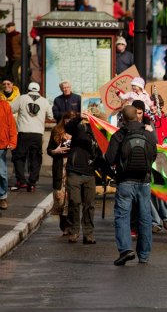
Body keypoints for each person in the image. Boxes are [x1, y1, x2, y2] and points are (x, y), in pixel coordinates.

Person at [105, 105, 158, 266]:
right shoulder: (148, 134)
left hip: (125, 181)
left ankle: (126, 250)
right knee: (145, 217)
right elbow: (153, 156)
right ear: (137, 116)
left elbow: (109, 158)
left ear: (122, 118)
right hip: (144, 181)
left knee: (122, 216)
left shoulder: (119, 135)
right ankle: (144, 254)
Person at [11, 82, 54, 192]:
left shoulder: (22, 98)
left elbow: (11, 109)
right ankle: (32, 183)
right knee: (36, 158)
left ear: (28, 88)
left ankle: (21, 181)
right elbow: (50, 116)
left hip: (23, 132)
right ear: (39, 90)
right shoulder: (44, 101)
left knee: (19, 157)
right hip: (37, 134)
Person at [64, 115, 98, 245]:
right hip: (75, 172)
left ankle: (88, 234)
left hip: (90, 173)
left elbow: (100, 155)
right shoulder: (79, 128)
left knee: (89, 205)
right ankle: (74, 231)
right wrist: (79, 117)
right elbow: (68, 127)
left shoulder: (98, 133)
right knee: (74, 202)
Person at [0, 96, 16, 210]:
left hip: (1, 143)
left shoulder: (4, 105)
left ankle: (2, 197)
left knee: (1, 172)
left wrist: (12, 141)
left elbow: (11, 124)